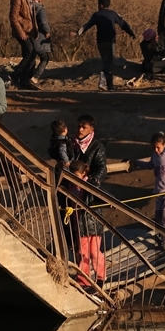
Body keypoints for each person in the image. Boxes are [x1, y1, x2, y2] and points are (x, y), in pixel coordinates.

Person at [74, 0, 135, 91]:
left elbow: (87, 25)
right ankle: (104, 82)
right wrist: (131, 33)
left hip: (100, 42)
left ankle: (109, 86)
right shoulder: (113, 14)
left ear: (101, 5)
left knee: (106, 62)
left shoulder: (96, 15)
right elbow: (123, 24)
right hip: (110, 41)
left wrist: (78, 33)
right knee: (108, 63)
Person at [67, 160, 105, 289]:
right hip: (80, 225)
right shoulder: (70, 185)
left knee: (95, 252)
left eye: (76, 176)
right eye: (72, 175)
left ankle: (100, 277)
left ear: (84, 174)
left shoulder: (91, 184)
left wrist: (109, 202)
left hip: (93, 224)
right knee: (83, 252)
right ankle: (83, 280)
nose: (73, 178)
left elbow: (102, 195)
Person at [8, 0, 40, 89]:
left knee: (29, 55)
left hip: (30, 31)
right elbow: (13, 17)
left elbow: (32, 16)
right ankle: (15, 75)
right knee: (31, 53)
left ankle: (24, 81)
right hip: (23, 31)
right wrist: (21, 31)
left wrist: (35, 31)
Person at [72, 114, 107, 188]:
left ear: (91, 129)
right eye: (79, 126)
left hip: (86, 185)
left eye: (84, 127)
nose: (80, 130)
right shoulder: (70, 142)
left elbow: (101, 167)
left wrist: (93, 180)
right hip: (69, 181)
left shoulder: (97, 147)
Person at [31, 0, 52, 85]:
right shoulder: (39, 9)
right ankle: (35, 77)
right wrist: (47, 31)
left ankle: (26, 77)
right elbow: (43, 22)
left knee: (31, 57)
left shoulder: (28, 8)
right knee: (45, 58)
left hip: (29, 35)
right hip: (39, 37)